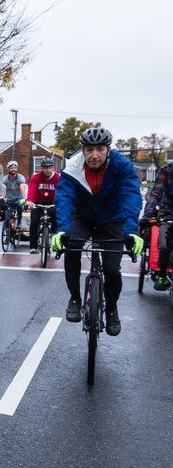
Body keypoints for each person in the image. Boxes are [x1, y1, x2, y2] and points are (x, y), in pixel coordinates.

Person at [52, 127, 143, 336]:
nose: (94, 155)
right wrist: (63, 229)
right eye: (89, 149)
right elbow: (64, 197)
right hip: (82, 215)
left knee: (112, 269)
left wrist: (131, 230)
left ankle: (112, 309)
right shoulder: (72, 166)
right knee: (72, 246)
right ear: (82, 150)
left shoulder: (121, 165)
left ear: (108, 150)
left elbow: (130, 195)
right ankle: (75, 298)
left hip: (112, 218)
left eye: (100, 149)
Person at [140, 161, 173, 290]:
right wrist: (148, 213)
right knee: (164, 246)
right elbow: (156, 193)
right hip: (167, 214)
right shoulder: (167, 170)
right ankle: (162, 275)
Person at [26, 157, 60, 254]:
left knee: (55, 216)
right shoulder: (36, 177)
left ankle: (54, 234)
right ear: (42, 168)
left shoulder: (57, 177)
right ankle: (33, 247)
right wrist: (29, 201)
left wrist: (60, 202)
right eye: (45, 168)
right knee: (34, 223)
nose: (48, 170)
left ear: (52, 168)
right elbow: (31, 189)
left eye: (50, 168)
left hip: (51, 202)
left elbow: (61, 191)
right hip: (37, 202)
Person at [3, 160, 27, 229]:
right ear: (8, 169)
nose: (13, 169)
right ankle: (7, 231)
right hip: (9, 199)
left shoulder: (20, 177)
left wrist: (23, 198)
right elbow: (2, 187)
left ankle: (19, 221)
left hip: (18, 198)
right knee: (8, 216)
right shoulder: (5, 178)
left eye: (14, 168)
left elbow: (22, 188)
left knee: (19, 205)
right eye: (11, 168)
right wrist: (0, 198)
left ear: (17, 169)